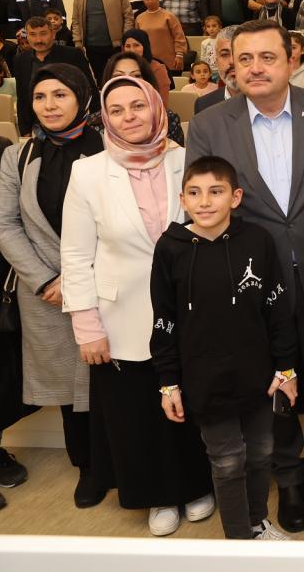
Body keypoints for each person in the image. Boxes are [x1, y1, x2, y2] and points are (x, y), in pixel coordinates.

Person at [185, 20, 304, 533]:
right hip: (251, 284)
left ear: (292, 60)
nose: (256, 68)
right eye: (244, 59)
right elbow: (203, 208)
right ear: (230, 65)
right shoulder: (208, 124)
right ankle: (287, 476)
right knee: (272, 386)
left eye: (268, 57)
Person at [61, 75, 214, 535]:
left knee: (191, 401)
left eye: (138, 106)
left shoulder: (187, 160)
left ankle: (196, 485)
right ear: (105, 118)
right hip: (120, 315)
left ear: (156, 108)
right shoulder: (88, 172)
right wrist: (87, 326)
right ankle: (157, 495)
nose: (129, 117)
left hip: (188, 309)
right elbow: (75, 254)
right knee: (137, 411)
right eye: (117, 109)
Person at [149, 156, 298, 542]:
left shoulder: (258, 241)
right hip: (204, 382)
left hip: (258, 377)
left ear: (235, 197)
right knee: (228, 461)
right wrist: (168, 383)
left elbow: (278, 309)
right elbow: (164, 321)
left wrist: (286, 369)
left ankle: (257, 523)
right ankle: (238, 543)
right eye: (194, 193)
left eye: (215, 192)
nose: (204, 202)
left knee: (262, 453)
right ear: (182, 199)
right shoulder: (170, 249)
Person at [0, 65, 99, 507]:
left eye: (60, 95)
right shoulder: (18, 156)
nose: (49, 105)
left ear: (82, 98)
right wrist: (46, 280)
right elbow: (3, 223)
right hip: (46, 293)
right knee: (71, 387)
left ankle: (121, 461)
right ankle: (87, 467)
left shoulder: (110, 146)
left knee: (114, 378)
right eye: (40, 97)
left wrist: (83, 277)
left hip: (105, 283)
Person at [72, 0, 134, 81]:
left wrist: (126, 39)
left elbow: (128, 15)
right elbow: (76, 20)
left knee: (119, 77)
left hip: (115, 45)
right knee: (100, 79)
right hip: (92, 46)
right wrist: (78, 41)